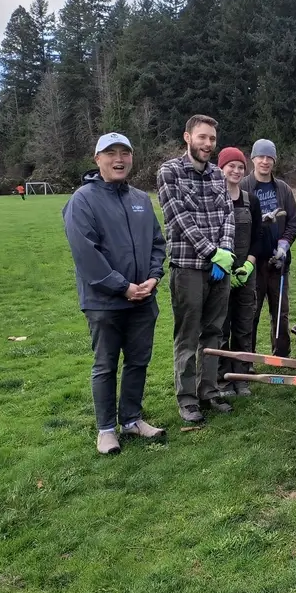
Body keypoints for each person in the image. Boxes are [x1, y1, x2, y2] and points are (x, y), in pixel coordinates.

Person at [63, 132, 167, 455]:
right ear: (98, 159)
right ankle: (106, 429)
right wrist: (123, 287)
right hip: (104, 303)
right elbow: (86, 255)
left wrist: (153, 277)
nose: (119, 159)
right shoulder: (83, 200)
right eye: (111, 153)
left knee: (138, 361)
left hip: (143, 299)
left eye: (125, 152)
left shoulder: (140, 199)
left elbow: (157, 243)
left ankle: (132, 420)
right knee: (106, 365)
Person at [156, 114, 236, 424]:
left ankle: (209, 390)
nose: (208, 143)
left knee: (214, 332)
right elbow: (178, 219)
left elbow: (227, 215)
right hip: (188, 268)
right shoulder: (169, 172)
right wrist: (212, 253)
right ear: (188, 137)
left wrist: (225, 252)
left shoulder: (217, 175)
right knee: (188, 335)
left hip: (219, 269)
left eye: (212, 138)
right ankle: (187, 398)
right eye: (202, 137)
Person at [239, 139, 296, 358]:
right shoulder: (243, 187)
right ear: (253, 159)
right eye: (261, 157)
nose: (265, 161)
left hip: (278, 263)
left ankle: (281, 356)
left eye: (269, 157)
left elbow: (293, 221)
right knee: (250, 312)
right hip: (252, 263)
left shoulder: (282, 189)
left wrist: (284, 245)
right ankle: (248, 357)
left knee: (280, 311)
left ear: (274, 160)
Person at [217, 147, 264, 397]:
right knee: (221, 327)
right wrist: (224, 268)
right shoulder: (214, 198)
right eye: (231, 166)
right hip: (220, 273)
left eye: (240, 167)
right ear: (221, 168)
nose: (236, 171)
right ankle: (223, 379)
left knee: (244, 325)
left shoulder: (251, 200)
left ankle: (242, 378)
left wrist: (249, 265)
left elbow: (258, 236)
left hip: (246, 273)